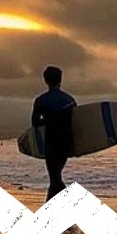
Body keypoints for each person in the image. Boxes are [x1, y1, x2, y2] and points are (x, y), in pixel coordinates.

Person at [32, 66, 77, 202]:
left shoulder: (41, 100)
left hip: (51, 142)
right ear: (60, 80)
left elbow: (35, 122)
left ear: (45, 80)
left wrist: (49, 120)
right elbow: (76, 123)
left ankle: (70, 204)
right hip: (66, 142)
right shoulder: (69, 100)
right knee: (55, 176)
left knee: (55, 176)